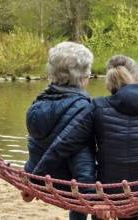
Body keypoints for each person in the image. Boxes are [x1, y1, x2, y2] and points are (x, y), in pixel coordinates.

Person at [33, 55, 138, 220]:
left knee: (104, 208)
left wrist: (35, 180)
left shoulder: (96, 107)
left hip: (111, 194)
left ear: (109, 83)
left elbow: (64, 144)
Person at [23, 41, 96, 220]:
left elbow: (36, 147)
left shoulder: (37, 105)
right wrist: (92, 199)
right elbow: (82, 162)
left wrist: (30, 181)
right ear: (83, 77)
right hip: (70, 185)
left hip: (42, 180)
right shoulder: (83, 108)